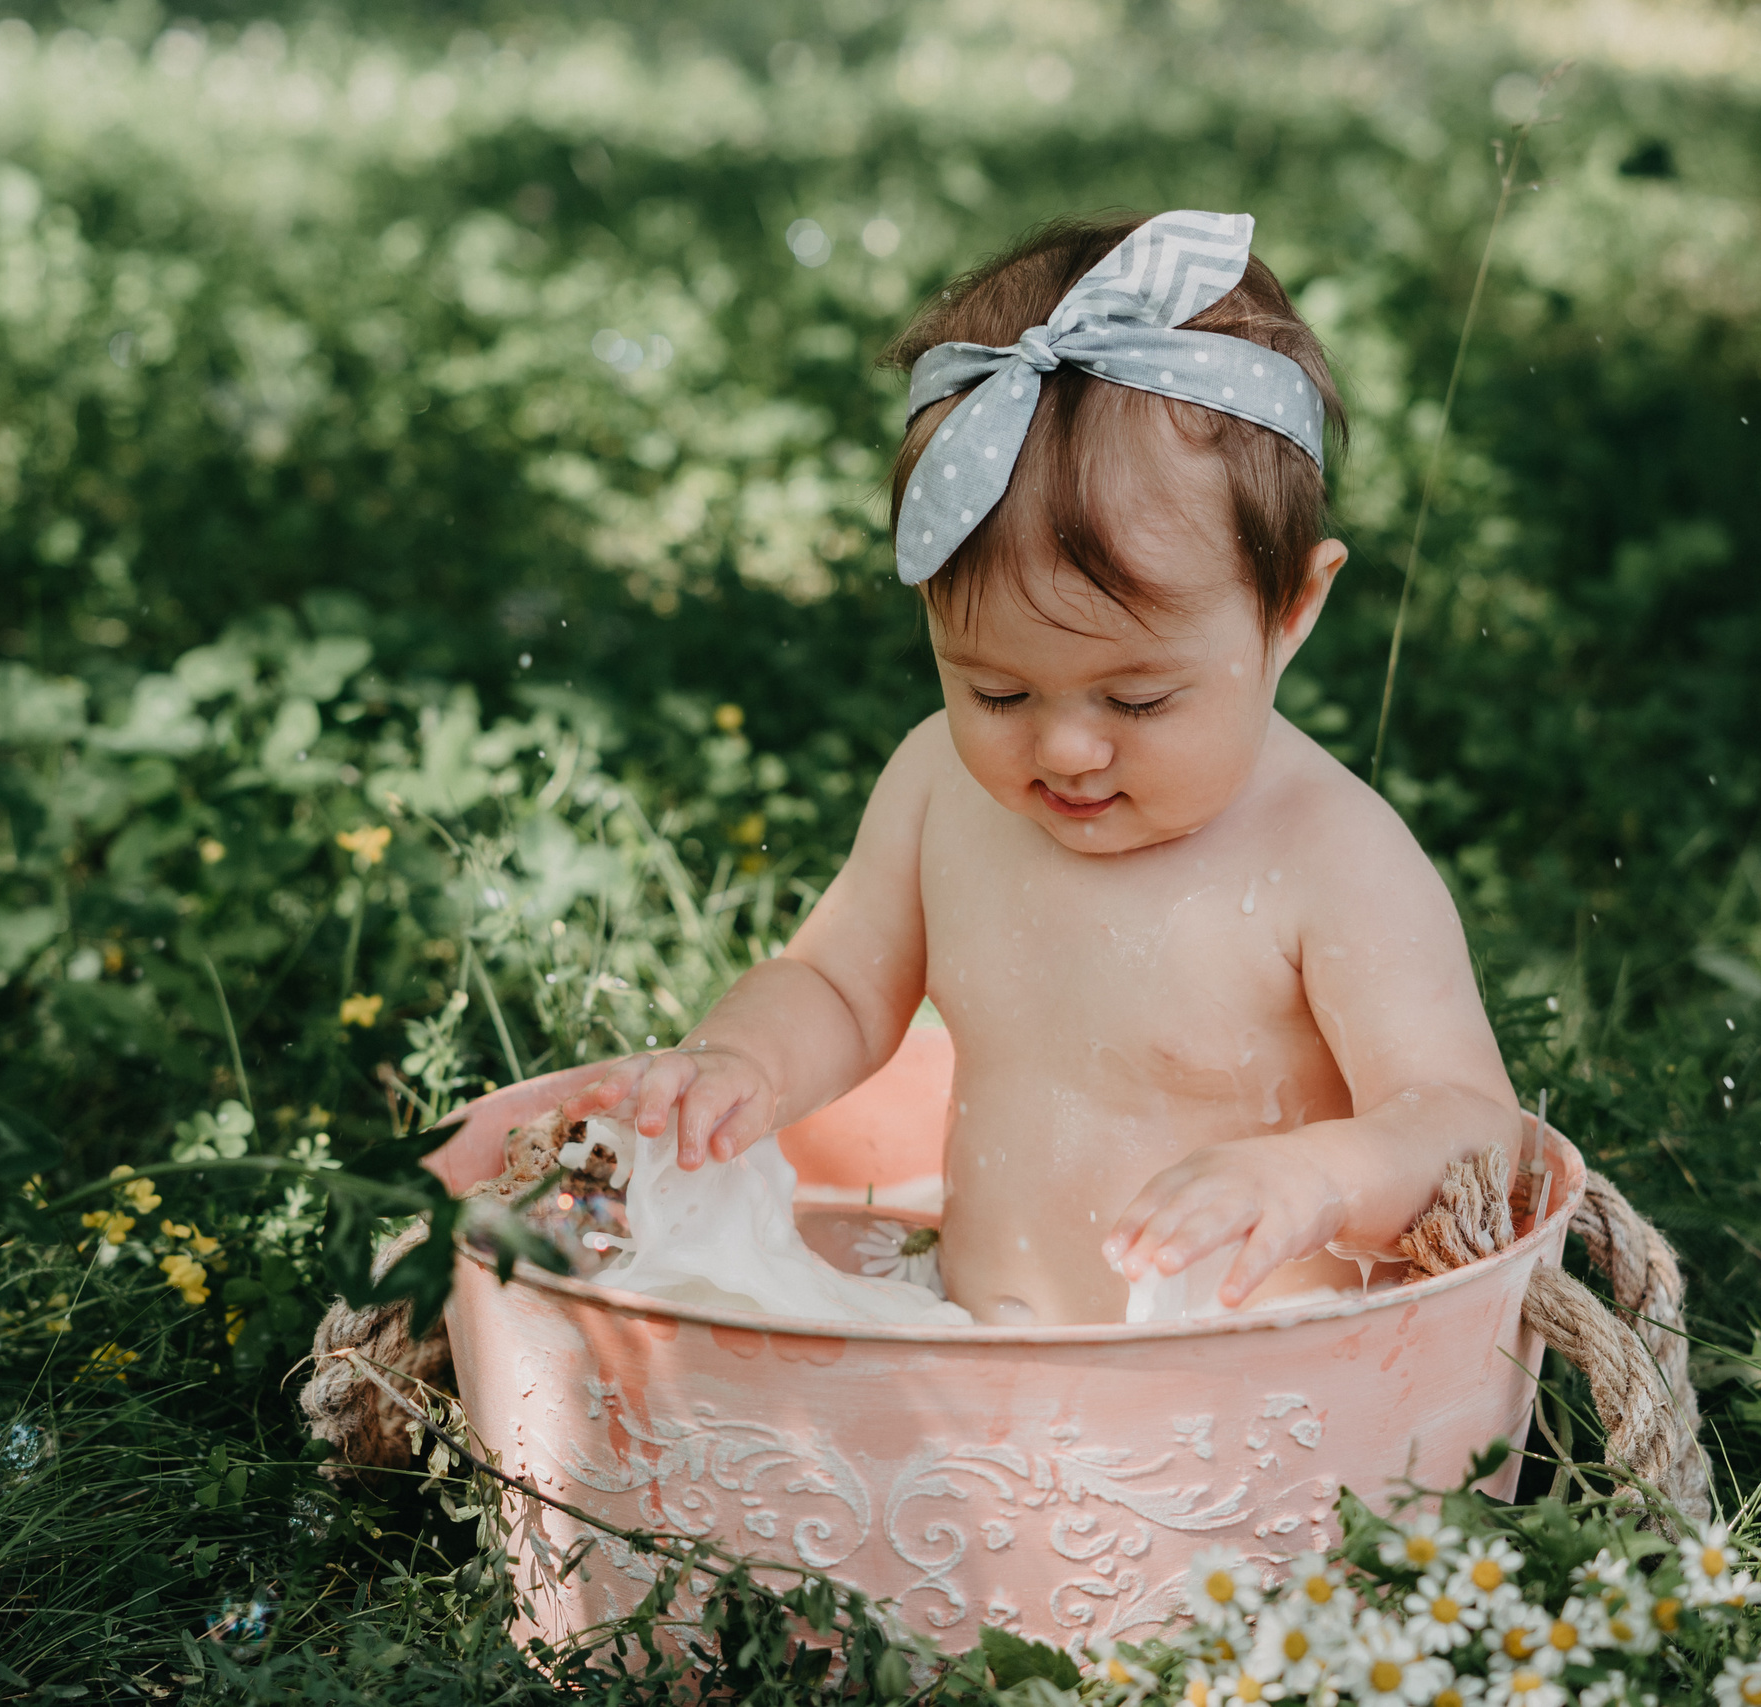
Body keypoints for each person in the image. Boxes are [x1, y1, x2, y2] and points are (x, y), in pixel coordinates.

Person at [561, 210, 1522, 1325]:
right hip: (979, 1349)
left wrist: (1320, 1178)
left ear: (1293, 610)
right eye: (996, 692)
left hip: (1261, 1381)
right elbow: (834, 985)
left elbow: (1463, 1123)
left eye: (1138, 698)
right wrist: (742, 1061)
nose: (1063, 748)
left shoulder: (1330, 856)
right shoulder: (938, 787)